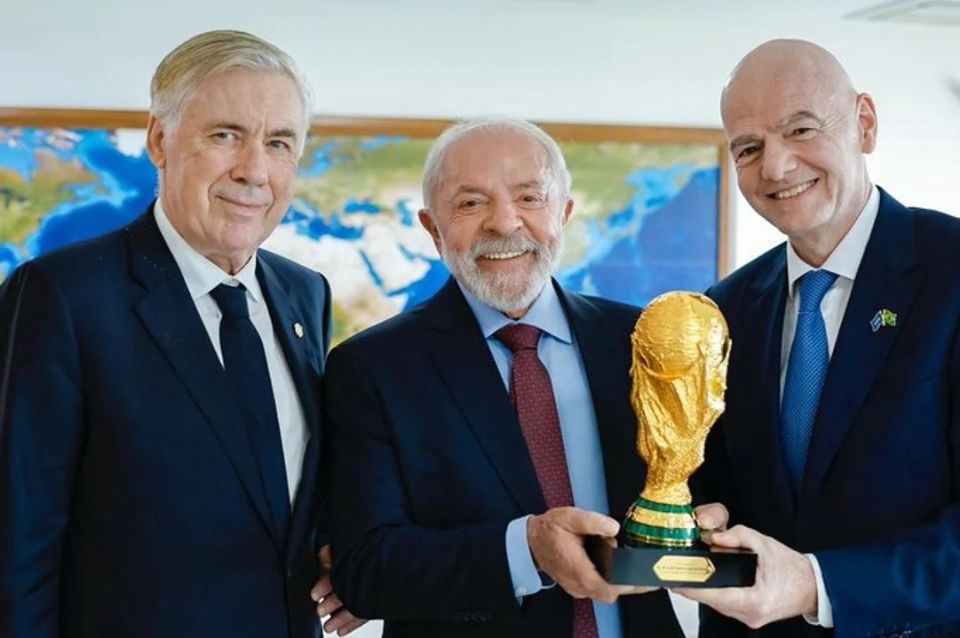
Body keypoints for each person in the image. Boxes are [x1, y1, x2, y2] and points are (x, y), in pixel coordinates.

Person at [0, 29, 363, 638]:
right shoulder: (62, 295)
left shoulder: (306, 293)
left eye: (278, 143)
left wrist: (351, 562)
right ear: (159, 140)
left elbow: (274, 493)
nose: (254, 170)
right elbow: (18, 542)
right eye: (225, 135)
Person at [323, 117, 684, 637]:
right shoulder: (372, 367)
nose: (505, 223)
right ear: (432, 229)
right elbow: (365, 570)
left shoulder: (639, 342)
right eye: (471, 203)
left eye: (529, 198)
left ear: (564, 213)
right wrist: (525, 549)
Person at [678, 39, 960, 638]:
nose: (776, 167)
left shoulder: (951, 272)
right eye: (749, 148)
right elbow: (722, 495)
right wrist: (696, 520)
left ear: (865, 124)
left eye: (801, 130)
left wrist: (816, 584)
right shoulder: (725, 309)